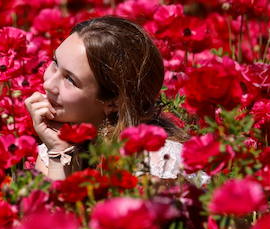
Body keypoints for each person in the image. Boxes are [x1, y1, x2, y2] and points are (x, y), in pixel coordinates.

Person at [25, 15, 192, 181]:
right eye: (55, 63)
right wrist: (58, 151)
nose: (48, 84)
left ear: (113, 102)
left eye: (70, 79)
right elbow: (47, 208)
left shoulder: (156, 162)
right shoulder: (55, 145)